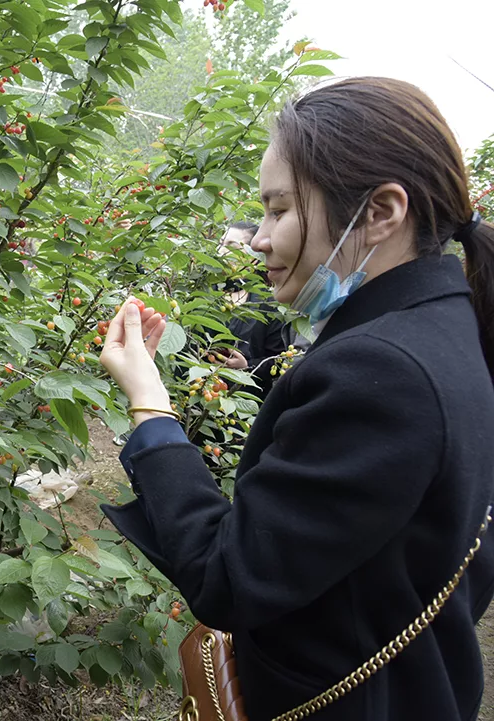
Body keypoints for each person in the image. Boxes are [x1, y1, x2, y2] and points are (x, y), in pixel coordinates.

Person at [98, 77, 494, 721]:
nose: (258, 238)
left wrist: (150, 405)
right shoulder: (450, 331)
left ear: (380, 212)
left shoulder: (383, 369)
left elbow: (227, 576)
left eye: (279, 210)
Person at [214, 220, 291, 401]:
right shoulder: (203, 293)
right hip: (195, 398)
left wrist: (246, 366)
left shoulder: (269, 303)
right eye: (220, 244)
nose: (220, 252)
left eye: (231, 246)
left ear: (252, 257)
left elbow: (278, 360)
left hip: (242, 403)